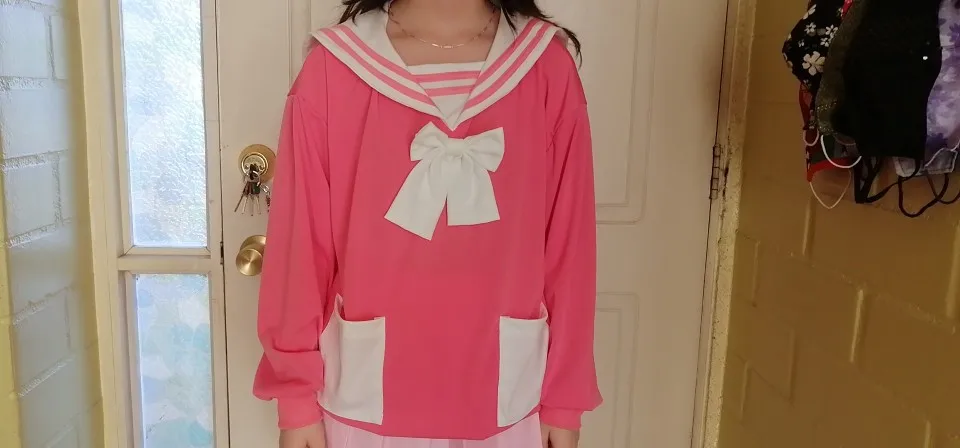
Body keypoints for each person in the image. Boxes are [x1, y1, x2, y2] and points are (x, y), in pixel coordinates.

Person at [253, 0, 602, 446]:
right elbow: (301, 246)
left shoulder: (545, 67)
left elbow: (570, 247)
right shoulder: (333, 68)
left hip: (509, 399)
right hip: (364, 400)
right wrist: (295, 400)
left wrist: (564, 400)